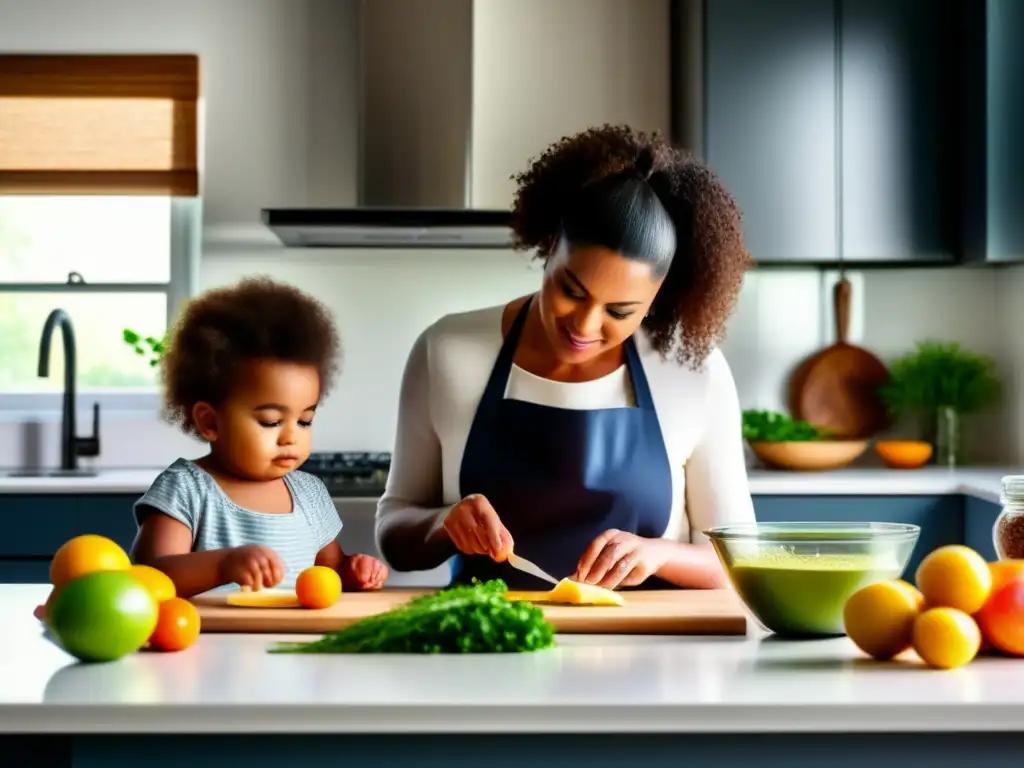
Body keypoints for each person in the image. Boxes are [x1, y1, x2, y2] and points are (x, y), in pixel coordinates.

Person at [375, 124, 756, 592]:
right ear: (551, 247)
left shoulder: (693, 371)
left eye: (620, 311)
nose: (585, 325)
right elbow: (394, 534)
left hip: (656, 651)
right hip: (492, 649)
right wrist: (442, 524)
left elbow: (740, 559)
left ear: (656, 300)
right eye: (571, 291)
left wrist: (657, 554)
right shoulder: (447, 350)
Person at [130, 277, 389, 598]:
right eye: (271, 422)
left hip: (294, 642)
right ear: (210, 421)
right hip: (207, 643)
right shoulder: (186, 488)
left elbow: (329, 570)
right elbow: (150, 575)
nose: (291, 436)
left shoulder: (310, 494)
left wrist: (354, 570)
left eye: (305, 420)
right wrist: (223, 565)